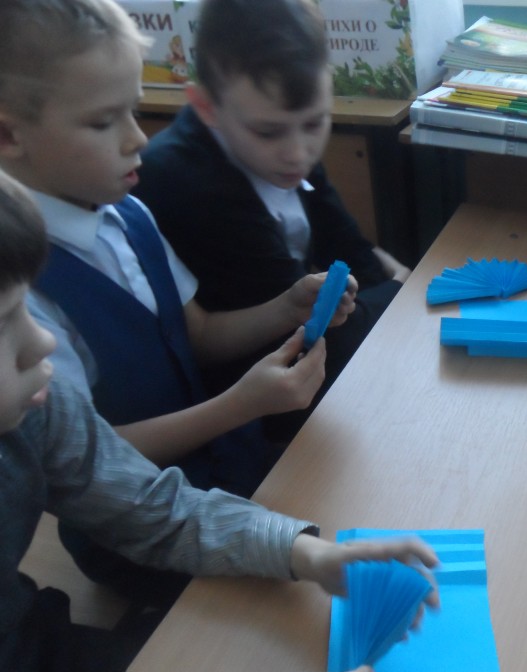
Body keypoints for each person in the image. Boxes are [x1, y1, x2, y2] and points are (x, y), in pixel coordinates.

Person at [0, 168, 439, 672]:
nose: (42, 342)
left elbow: (149, 507)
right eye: (4, 323)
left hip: (33, 655)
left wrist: (308, 555)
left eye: (26, 309)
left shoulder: (35, 406)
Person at [0, 0, 359, 601]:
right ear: (10, 134)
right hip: (135, 539)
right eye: (103, 122)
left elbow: (198, 332)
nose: (138, 137)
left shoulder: (128, 216)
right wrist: (237, 406)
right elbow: (86, 461)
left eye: (134, 110)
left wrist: (286, 308)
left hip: (230, 477)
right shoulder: (20, 295)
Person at [133, 0, 410, 442]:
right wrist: (399, 289)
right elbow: (317, 334)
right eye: (269, 132)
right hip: (252, 413)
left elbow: (350, 250)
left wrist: (390, 285)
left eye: (315, 123)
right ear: (206, 107)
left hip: (312, 372)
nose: (298, 153)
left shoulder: (279, 134)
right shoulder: (186, 182)